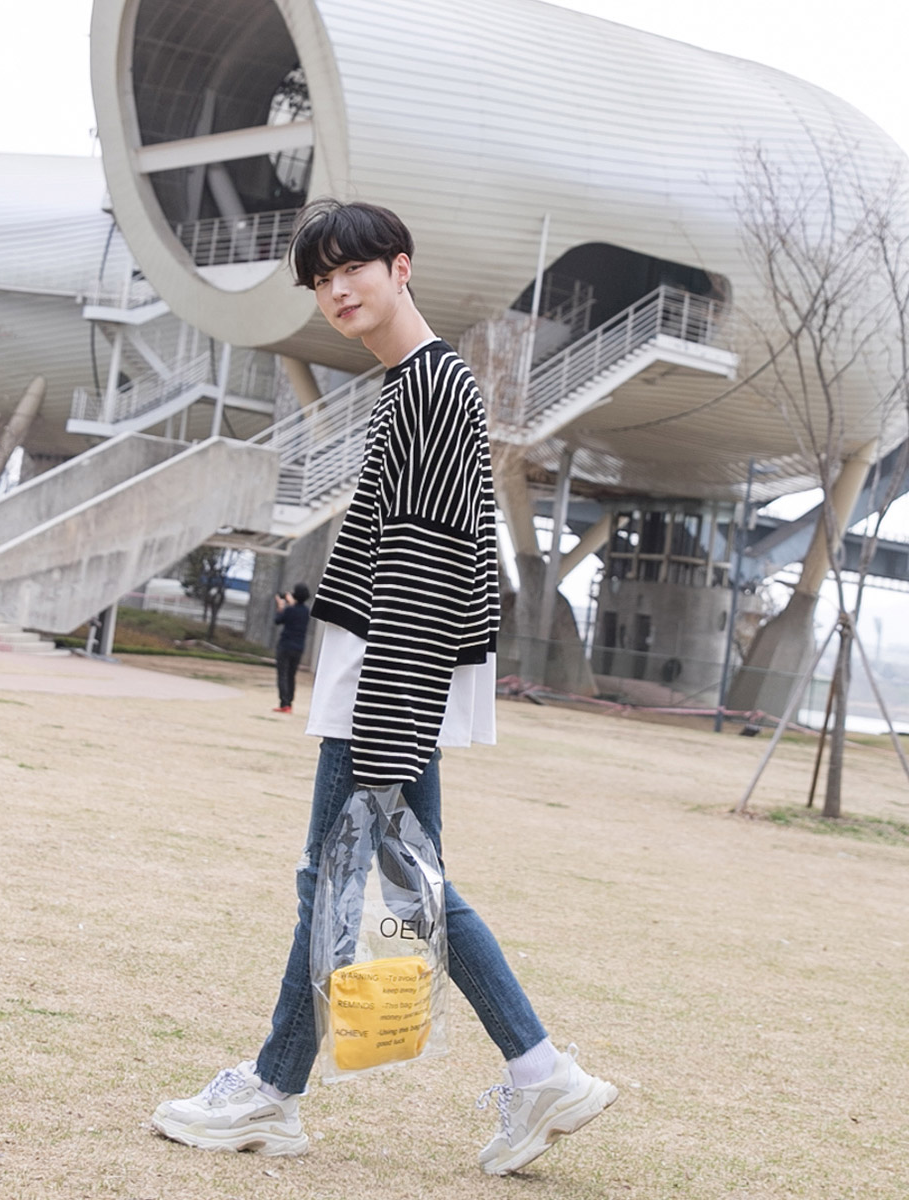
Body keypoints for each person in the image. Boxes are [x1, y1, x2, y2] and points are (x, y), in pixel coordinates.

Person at [150, 200, 617, 1175]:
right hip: (389, 671)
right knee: (406, 878)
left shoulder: (432, 388)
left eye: (351, 269)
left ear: (400, 266)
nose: (336, 292)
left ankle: (273, 1092)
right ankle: (538, 1073)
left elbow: (429, 562)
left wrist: (389, 717)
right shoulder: (419, 385)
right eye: (320, 280)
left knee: (333, 878)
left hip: (388, 674)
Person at [272, 583, 311, 713]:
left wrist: (281, 606)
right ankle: (289, 702)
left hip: (285, 645)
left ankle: (284, 703)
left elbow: (278, 620)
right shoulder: (306, 611)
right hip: (299, 647)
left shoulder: (290, 610)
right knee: (291, 675)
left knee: (282, 674)